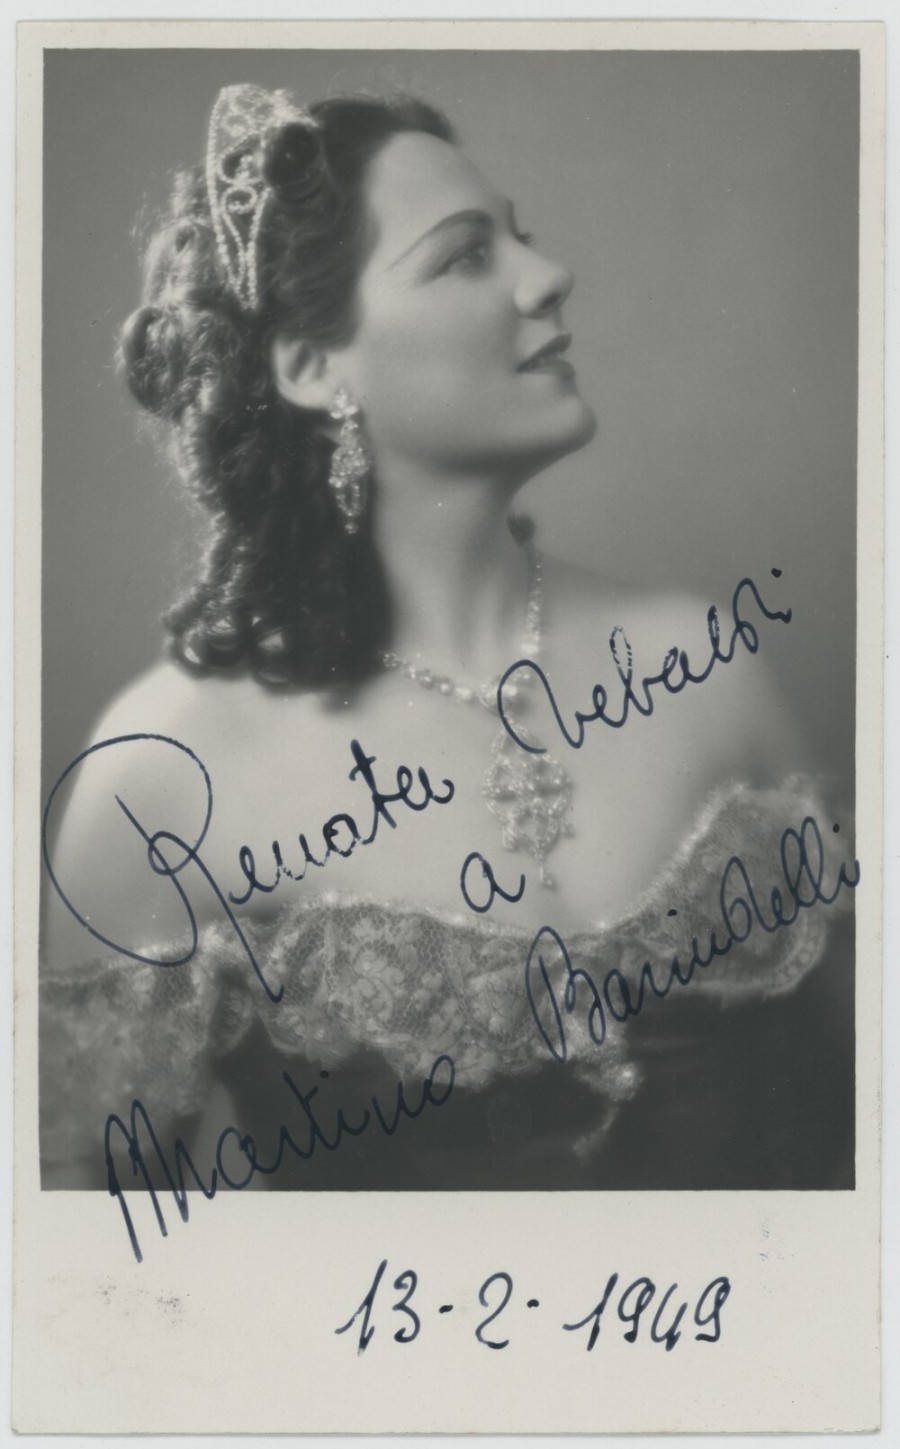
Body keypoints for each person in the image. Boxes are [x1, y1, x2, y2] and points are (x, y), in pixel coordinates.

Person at [40, 84, 855, 1198]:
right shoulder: (158, 777)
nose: (547, 275)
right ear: (313, 367)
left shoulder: (714, 671)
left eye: (520, 237)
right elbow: (89, 1260)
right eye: (467, 256)